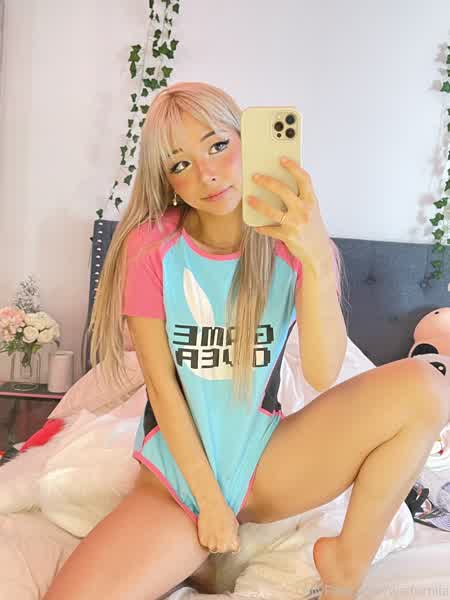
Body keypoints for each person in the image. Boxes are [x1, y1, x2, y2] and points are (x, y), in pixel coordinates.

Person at [42, 81, 450, 600]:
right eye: (180, 164)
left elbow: (322, 371)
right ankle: (196, 558)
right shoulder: (152, 248)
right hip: (178, 479)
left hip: (267, 461)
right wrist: (210, 503)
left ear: (248, 141)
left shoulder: (292, 244)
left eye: (218, 145)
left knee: (428, 386)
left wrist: (316, 259)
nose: (207, 173)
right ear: (166, 180)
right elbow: (162, 388)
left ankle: (345, 567)